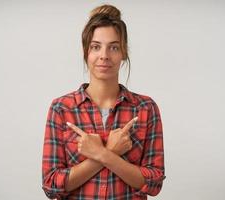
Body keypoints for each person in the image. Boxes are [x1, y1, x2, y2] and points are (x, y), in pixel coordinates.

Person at [42, 4, 165, 200]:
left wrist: (103, 155)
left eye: (114, 47)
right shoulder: (62, 108)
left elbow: (154, 183)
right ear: (86, 52)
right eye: (96, 47)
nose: (104, 55)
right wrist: (110, 152)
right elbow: (51, 185)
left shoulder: (145, 108)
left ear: (123, 52)